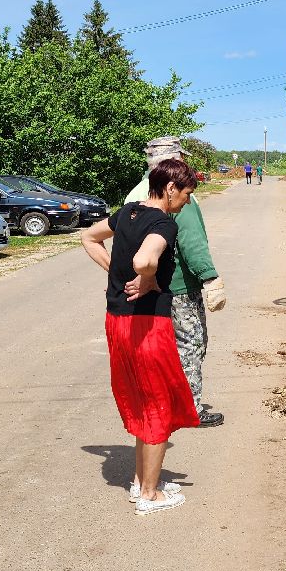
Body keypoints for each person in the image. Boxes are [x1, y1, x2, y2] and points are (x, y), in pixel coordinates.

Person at [82, 156, 201, 515]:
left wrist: (115, 275)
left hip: (117, 322)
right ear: (170, 188)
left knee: (142, 401)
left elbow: (88, 237)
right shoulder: (164, 224)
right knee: (159, 403)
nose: (186, 203)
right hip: (147, 326)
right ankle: (149, 495)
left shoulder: (127, 212)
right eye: (186, 195)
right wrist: (146, 276)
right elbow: (145, 259)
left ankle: (140, 481)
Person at [128, 137, 226, 429]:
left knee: (159, 347)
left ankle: (161, 402)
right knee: (191, 344)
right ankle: (188, 408)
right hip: (179, 286)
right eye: (180, 158)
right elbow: (191, 241)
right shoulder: (179, 196)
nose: (184, 163)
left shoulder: (136, 193)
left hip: (147, 285)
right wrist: (209, 276)